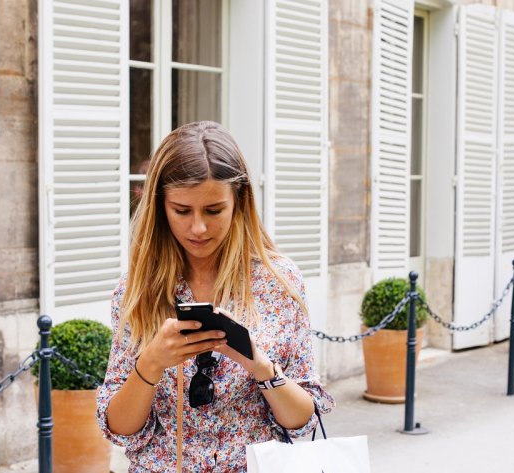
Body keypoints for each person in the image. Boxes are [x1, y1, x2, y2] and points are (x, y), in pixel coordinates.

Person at [96, 121, 335, 472]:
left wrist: (259, 365)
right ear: (161, 207)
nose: (198, 228)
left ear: (239, 202)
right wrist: (151, 362)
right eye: (182, 210)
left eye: (213, 210)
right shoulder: (137, 289)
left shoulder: (278, 282)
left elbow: (301, 421)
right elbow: (119, 429)